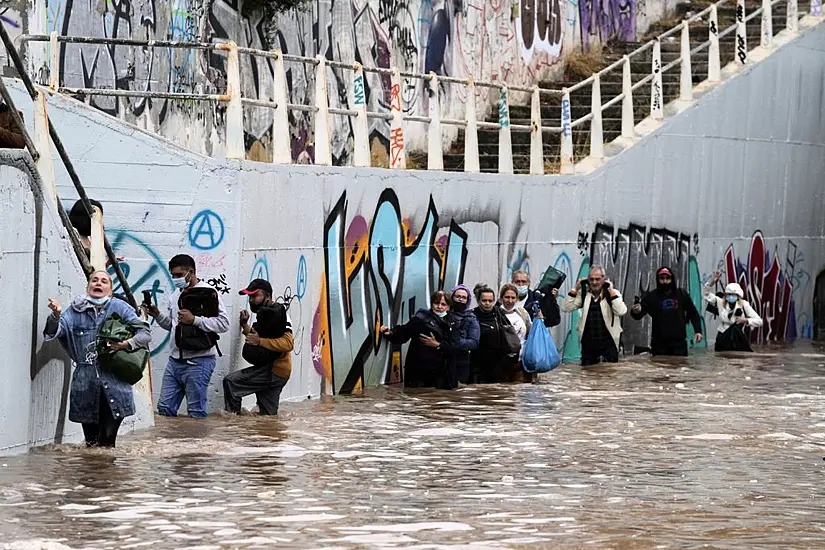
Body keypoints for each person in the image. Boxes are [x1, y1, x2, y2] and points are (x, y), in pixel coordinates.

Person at [44, 271, 151, 447]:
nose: (98, 284)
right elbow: (54, 332)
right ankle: (93, 474)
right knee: (91, 444)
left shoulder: (119, 307)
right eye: (94, 280)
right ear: (88, 287)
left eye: (103, 281)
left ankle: (106, 473)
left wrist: (125, 344)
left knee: (107, 443)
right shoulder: (74, 310)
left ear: (109, 289)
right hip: (85, 384)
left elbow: (145, 333)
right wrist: (55, 315)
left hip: (115, 383)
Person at [143, 254, 229, 418]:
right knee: (164, 409)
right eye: (173, 275)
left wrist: (195, 320)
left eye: (179, 275)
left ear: (191, 272)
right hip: (174, 361)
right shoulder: (175, 295)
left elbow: (223, 323)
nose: (176, 279)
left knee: (196, 413)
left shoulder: (209, 293)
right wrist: (157, 315)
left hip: (199, 362)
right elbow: (173, 326)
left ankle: (197, 443)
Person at [223, 279, 294, 415]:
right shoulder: (267, 314)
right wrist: (245, 327)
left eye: (255, 296)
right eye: (249, 296)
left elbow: (288, 344)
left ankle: (233, 425)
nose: (251, 300)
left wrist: (259, 341)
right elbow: (262, 337)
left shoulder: (280, 315)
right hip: (278, 371)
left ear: (267, 296)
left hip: (274, 369)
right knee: (267, 418)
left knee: (231, 383)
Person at [380, 290, 457, 390]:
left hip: (443, 373)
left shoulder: (453, 323)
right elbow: (404, 332)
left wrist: (437, 345)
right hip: (419, 371)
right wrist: (390, 333)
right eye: (436, 303)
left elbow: (455, 347)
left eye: (443, 304)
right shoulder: (421, 319)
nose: (439, 307)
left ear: (449, 307)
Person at [561, 265, 628, 365]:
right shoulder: (584, 295)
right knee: (587, 375)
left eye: (598, 279)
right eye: (591, 279)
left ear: (604, 279)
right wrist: (575, 289)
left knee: (610, 375)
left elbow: (621, 311)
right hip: (588, 344)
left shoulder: (612, 294)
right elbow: (566, 307)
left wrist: (612, 292)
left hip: (609, 343)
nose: (594, 282)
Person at [630, 266, 703, 356]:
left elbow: (693, 313)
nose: (665, 281)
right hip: (659, 346)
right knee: (660, 368)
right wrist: (635, 310)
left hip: (679, 345)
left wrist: (698, 331)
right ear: (658, 279)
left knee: (680, 368)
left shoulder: (681, 294)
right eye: (662, 278)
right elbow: (639, 315)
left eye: (667, 278)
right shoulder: (652, 297)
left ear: (672, 279)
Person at [704, 272, 763, 352]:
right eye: (729, 295)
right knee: (721, 360)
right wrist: (712, 282)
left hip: (737, 338)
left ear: (738, 296)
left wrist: (745, 320)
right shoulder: (720, 303)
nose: (731, 297)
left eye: (734, 295)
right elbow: (706, 294)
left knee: (738, 361)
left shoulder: (744, 305)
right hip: (722, 338)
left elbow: (759, 321)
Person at [500, 283, 533, 382]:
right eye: (507, 297)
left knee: (519, 392)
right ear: (501, 298)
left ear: (517, 299)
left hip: (521, 361)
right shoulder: (496, 313)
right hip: (502, 362)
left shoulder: (522, 313)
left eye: (513, 298)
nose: (510, 301)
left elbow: (530, 332)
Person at [448, 285, 480, 384]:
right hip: (442, 360)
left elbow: (474, 342)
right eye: (457, 296)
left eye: (464, 297)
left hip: (461, 362)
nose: (460, 299)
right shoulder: (444, 315)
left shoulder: (471, 318)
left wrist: (455, 342)